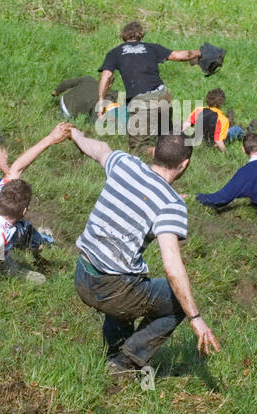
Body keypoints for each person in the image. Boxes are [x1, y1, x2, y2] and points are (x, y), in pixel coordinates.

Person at [70, 130, 218, 376]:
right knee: (177, 300)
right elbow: (172, 267)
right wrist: (195, 317)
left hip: (82, 275)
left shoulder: (125, 164)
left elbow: (98, 149)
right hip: (111, 289)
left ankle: (115, 349)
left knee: (132, 280)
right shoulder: (171, 203)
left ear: (154, 151)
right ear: (184, 164)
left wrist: (75, 135)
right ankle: (125, 362)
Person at [0, 123, 68, 294]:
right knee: (41, 280)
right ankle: (3, 268)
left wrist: (50, 139)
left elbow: (18, 167)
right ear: (23, 212)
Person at [96, 22, 201, 137]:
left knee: (139, 147)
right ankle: (178, 137)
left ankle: (160, 146)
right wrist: (200, 52)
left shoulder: (114, 53)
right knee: (165, 135)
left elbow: (106, 75)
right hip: (163, 96)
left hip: (142, 101)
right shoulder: (152, 47)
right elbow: (177, 55)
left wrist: (101, 100)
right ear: (141, 35)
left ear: (122, 35)